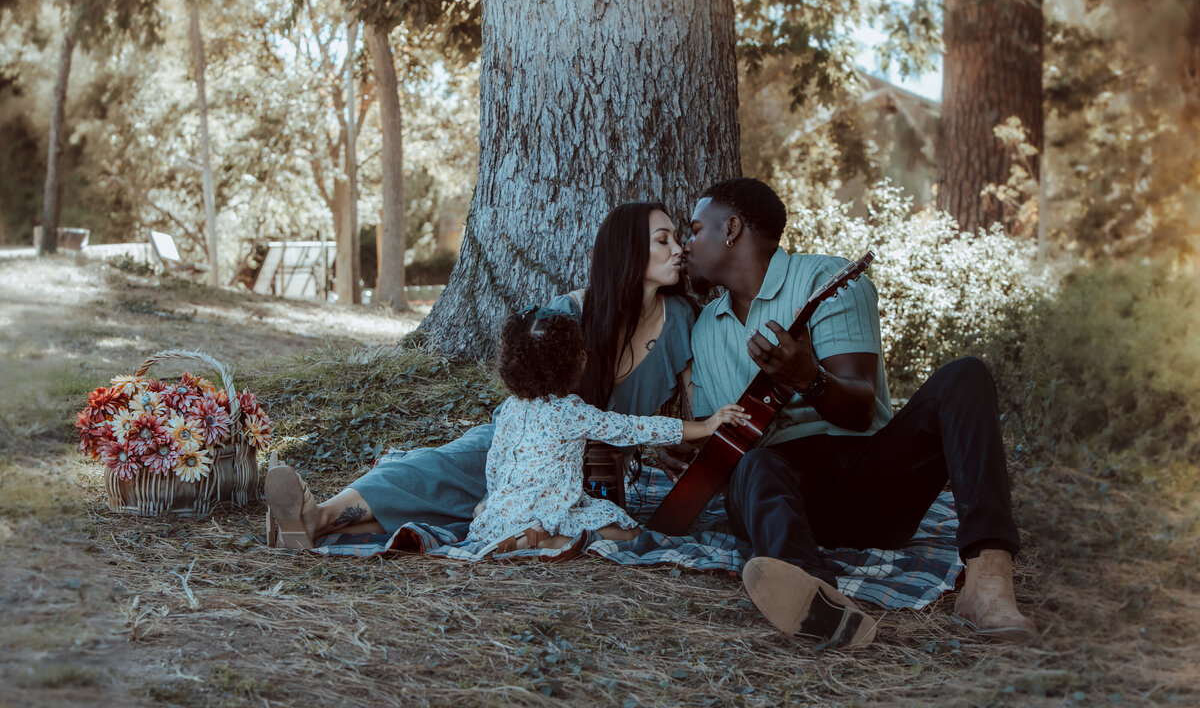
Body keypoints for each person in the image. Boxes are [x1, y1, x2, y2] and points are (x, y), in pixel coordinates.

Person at [667, 176, 1037, 650]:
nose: (687, 245)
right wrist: (689, 448)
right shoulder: (705, 330)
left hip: (870, 486)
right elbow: (725, 442)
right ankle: (815, 599)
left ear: (732, 229)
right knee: (756, 465)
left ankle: (988, 581)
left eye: (696, 230)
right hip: (777, 496)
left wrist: (810, 379)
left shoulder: (827, 279)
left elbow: (861, 411)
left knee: (965, 376)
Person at [265, 201, 700, 549]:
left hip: (582, 477)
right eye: (663, 240)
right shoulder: (569, 314)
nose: (679, 249)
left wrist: (673, 443)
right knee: (438, 470)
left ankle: (311, 529)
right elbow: (523, 384)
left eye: (677, 239)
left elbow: (686, 400)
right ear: (626, 251)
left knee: (463, 512)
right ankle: (318, 516)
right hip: (521, 448)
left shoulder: (680, 319)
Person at [468, 308, 747, 551]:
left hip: (504, 511)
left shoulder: (510, 407)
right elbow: (633, 428)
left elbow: (496, 461)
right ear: (573, 362)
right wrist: (706, 426)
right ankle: (548, 540)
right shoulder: (570, 411)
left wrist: (494, 501)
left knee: (495, 514)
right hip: (551, 513)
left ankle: (520, 536)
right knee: (628, 532)